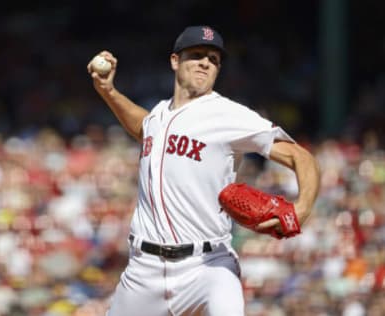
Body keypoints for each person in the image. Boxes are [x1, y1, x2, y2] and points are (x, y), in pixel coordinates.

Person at [87, 25, 320, 316]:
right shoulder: (159, 114)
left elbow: (301, 157)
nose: (205, 63)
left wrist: (303, 207)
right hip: (143, 270)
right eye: (196, 55)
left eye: (213, 59)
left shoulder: (228, 115)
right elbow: (143, 127)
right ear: (175, 61)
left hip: (208, 266)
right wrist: (108, 91)